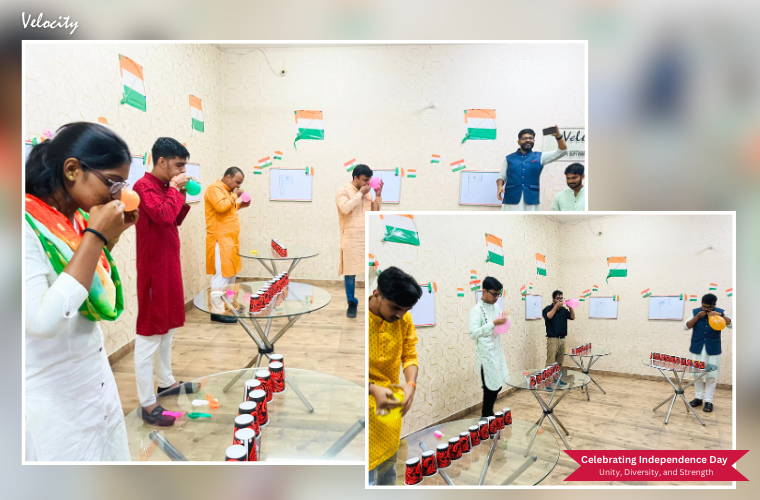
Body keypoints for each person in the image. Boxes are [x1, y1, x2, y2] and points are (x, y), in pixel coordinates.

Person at [24, 122, 135, 460]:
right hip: (51, 396)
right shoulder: (23, 224)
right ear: (72, 169)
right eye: (112, 182)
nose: (117, 194)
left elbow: (80, 287)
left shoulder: (70, 218)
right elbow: (42, 322)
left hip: (92, 377)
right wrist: (97, 236)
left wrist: (108, 239)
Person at [133, 138, 199, 426]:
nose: (182, 169)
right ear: (161, 162)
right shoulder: (142, 187)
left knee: (168, 329)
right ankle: (147, 404)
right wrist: (174, 190)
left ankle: (166, 383)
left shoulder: (163, 188)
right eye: (179, 165)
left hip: (169, 266)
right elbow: (161, 215)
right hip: (153, 271)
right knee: (150, 335)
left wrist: (178, 193)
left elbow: (174, 219)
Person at [368, 266, 422, 486]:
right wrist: (371, 388)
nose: (400, 315)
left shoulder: (403, 319)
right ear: (377, 294)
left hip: (389, 411)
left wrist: (410, 384)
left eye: (406, 310)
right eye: (396, 308)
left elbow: (409, 353)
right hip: (362, 413)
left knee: (388, 472)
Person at [204, 166, 250, 323]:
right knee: (221, 278)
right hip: (219, 241)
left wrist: (239, 205)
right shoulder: (214, 188)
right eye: (237, 182)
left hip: (231, 241)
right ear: (228, 177)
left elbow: (227, 210)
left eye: (240, 184)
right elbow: (221, 207)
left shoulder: (227, 192)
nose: (238, 186)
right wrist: (235, 196)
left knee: (231, 276)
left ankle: (229, 306)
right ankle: (216, 311)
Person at [336, 164, 382, 318]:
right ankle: (352, 303)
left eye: (369, 181)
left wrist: (378, 195)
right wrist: (360, 194)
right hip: (351, 237)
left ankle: (376, 303)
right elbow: (345, 208)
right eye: (364, 180)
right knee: (350, 272)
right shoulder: (343, 191)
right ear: (355, 177)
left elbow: (375, 212)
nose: (367, 184)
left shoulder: (368, 192)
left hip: (366, 236)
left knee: (372, 269)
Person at [497, 127, 567, 211]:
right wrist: (500, 186)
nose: (528, 140)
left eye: (530, 138)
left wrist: (558, 137)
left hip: (531, 198)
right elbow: (501, 176)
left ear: (534, 141)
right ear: (519, 142)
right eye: (524, 138)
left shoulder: (540, 157)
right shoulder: (509, 158)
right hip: (511, 198)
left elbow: (562, 151)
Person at [469, 277, 510, 418]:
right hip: (485, 356)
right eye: (494, 294)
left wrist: (504, 319)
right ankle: (485, 416)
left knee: (498, 385)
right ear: (484, 291)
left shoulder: (496, 307)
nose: (497, 297)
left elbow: (500, 326)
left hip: (497, 352)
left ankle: (488, 414)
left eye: (499, 294)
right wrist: (493, 322)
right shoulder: (477, 310)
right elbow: (473, 333)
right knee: (489, 388)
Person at [685, 293, 733, 412]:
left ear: (714, 305)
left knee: (711, 376)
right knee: (696, 374)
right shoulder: (695, 311)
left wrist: (721, 315)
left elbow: (731, 324)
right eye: (704, 306)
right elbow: (686, 326)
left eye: (709, 307)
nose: (706, 309)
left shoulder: (720, 312)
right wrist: (697, 317)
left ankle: (708, 401)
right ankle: (698, 398)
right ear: (701, 304)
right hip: (697, 348)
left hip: (713, 349)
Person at [542, 290, 575, 373]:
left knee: (559, 362)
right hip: (552, 339)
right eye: (558, 298)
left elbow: (572, 317)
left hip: (562, 339)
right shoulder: (547, 309)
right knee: (550, 362)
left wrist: (570, 307)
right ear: (553, 299)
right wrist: (556, 307)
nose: (560, 300)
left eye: (561, 298)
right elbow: (548, 316)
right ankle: (548, 383)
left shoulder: (563, 310)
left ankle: (557, 381)